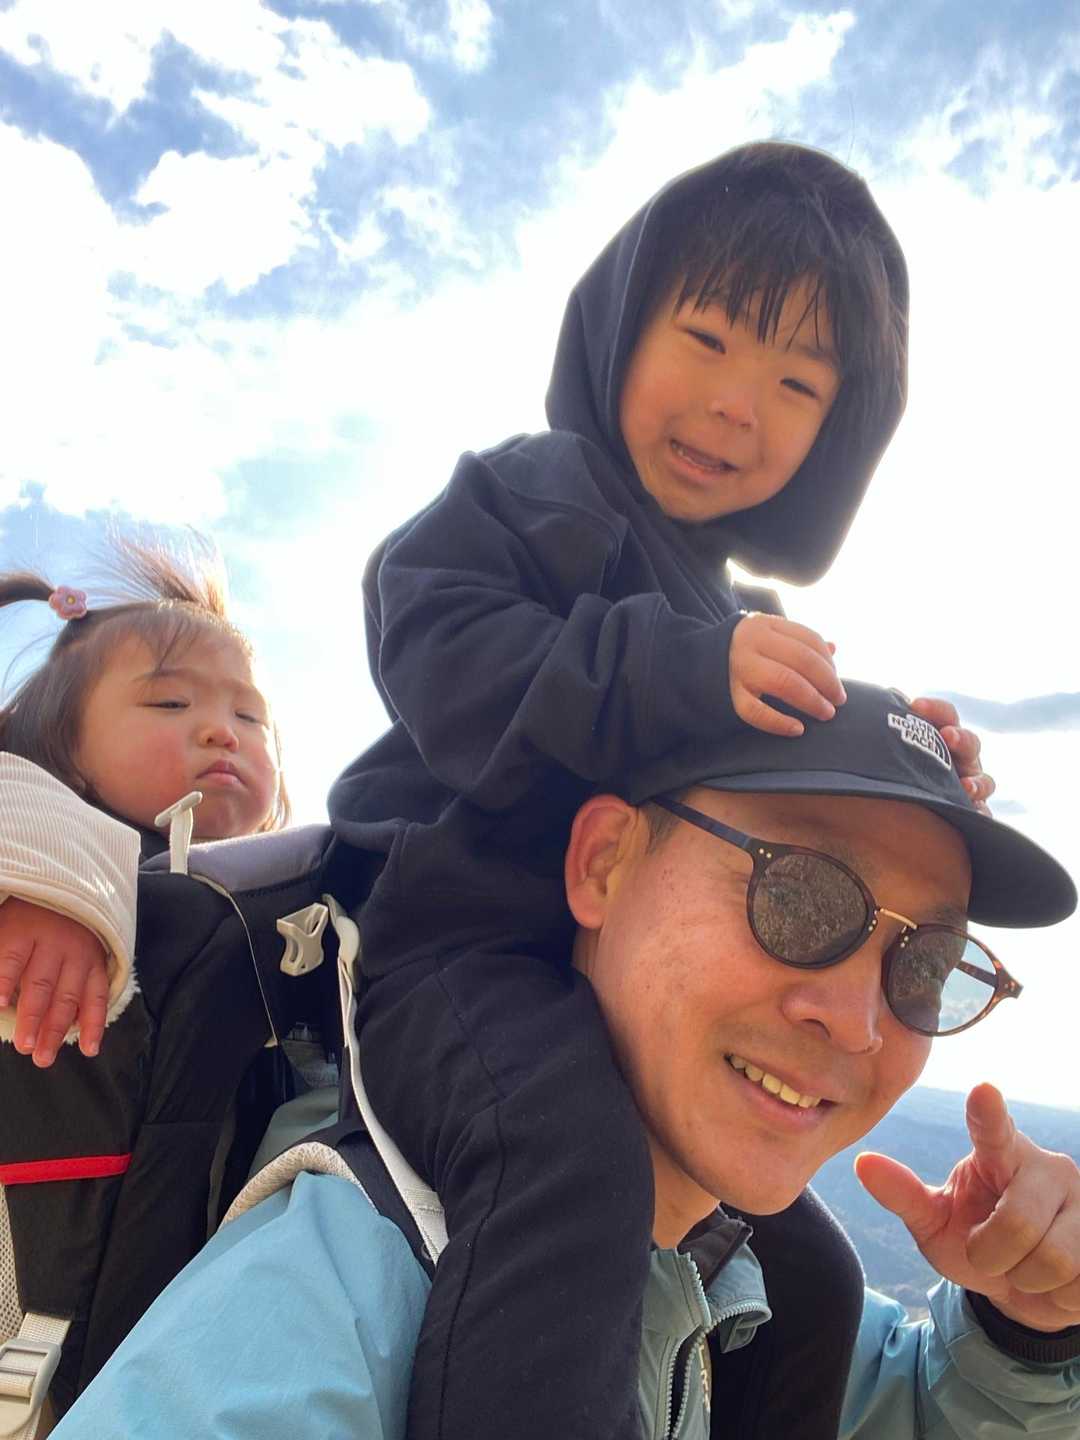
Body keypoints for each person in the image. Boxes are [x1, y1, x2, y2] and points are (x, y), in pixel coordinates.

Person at [327, 140, 994, 1439]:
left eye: (795, 383)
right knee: (572, 1166)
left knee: (814, 1276)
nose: (737, 407)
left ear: (837, 430)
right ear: (619, 327)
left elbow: (790, 780)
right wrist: (676, 671)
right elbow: (430, 638)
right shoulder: (537, 494)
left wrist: (921, 768)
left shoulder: (739, 613)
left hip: (626, 1007)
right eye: (706, 339)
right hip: (455, 955)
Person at [48, 681, 1080, 1438]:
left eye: (926, 963)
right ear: (603, 863)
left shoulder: (726, 1268)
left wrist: (1025, 1334)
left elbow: (907, 1412)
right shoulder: (334, 1303)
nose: (859, 1024)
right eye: (799, 897)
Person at [0, 542, 294, 1421]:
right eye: (170, 702)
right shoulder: (38, 847)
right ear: (61, 751)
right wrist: (44, 874)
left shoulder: (293, 911)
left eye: (251, 716)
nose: (222, 730)